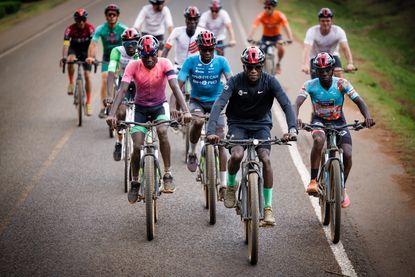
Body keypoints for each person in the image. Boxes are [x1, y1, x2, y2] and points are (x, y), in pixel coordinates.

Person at [206, 46, 297, 226]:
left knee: (266, 159)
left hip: (261, 124)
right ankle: (231, 185)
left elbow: (286, 104)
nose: (253, 71)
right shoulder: (234, 82)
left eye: (257, 67)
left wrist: (292, 129)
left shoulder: (270, 81)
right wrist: (210, 132)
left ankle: (268, 208)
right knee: (237, 155)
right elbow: (218, 105)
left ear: (262, 66)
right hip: (237, 124)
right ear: (244, 66)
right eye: (249, 67)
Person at [106, 35, 192, 203]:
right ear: (140, 55)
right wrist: (111, 113)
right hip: (140, 109)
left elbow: (175, 87)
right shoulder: (133, 65)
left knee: (162, 132)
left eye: (153, 55)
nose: (150, 59)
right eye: (145, 56)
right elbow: (122, 90)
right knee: (137, 145)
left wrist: (186, 110)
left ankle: (167, 174)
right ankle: (136, 181)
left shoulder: (165, 64)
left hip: (160, 106)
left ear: (157, 53)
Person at [294, 52, 374, 208]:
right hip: (319, 121)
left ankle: (342, 187)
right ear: (315, 71)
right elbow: (296, 104)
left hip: (339, 121)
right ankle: (313, 180)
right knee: (319, 140)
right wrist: (295, 118)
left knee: (348, 153)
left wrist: (368, 117)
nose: (324, 73)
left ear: (332, 70)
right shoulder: (310, 85)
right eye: (320, 70)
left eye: (327, 70)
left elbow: (359, 101)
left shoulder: (342, 83)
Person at [170, 31, 232, 190]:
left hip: (217, 103)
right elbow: (177, 86)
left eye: (210, 49)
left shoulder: (221, 61)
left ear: (214, 48)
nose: (207, 53)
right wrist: (174, 108)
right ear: (198, 47)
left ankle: (224, 184)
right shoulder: (190, 62)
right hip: (197, 101)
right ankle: (192, 153)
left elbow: (232, 83)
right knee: (196, 121)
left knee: (220, 141)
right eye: (203, 49)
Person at [86, 4, 127, 118]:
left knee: (124, 81)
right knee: (105, 78)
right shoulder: (101, 29)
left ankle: (125, 104)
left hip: (120, 59)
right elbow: (93, 44)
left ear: (117, 16)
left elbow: (131, 41)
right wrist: (91, 57)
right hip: (107, 59)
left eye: (114, 14)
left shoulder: (123, 29)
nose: (112, 17)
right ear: (106, 16)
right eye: (109, 14)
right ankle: (103, 107)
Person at [106, 28, 140, 161]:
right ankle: (119, 141)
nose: (130, 46)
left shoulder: (140, 51)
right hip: (124, 84)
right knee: (120, 113)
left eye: (133, 43)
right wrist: (109, 95)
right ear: (122, 44)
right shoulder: (117, 51)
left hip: (138, 85)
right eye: (127, 44)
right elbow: (110, 74)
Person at [301, 8, 356, 79]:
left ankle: (341, 90)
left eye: (328, 21)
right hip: (316, 57)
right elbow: (307, 49)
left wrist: (350, 63)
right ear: (319, 21)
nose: (325, 23)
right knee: (316, 81)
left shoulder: (338, 31)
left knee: (339, 74)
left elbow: (345, 48)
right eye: (323, 21)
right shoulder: (312, 31)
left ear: (331, 21)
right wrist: (305, 64)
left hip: (332, 56)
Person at [61, 8, 95, 115]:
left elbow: (93, 45)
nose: (81, 22)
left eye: (83, 19)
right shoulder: (69, 29)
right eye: (79, 20)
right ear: (75, 20)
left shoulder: (90, 28)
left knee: (87, 76)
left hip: (86, 51)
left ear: (86, 19)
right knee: (70, 59)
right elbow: (66, 45)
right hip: (74, 50)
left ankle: (88, 103)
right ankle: (71, 83)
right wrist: (64, 57)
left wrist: (92, 57)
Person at [247, 0, 293, 74]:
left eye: (269, 8)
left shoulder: (280, 15)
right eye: (265, 7)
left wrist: (290, 38)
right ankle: (263, 70)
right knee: (260, 53)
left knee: (281, 48)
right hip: (265, 37)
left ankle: (278, 63)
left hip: (277, 36)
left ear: (274, 8)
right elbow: (254, 26)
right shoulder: (261, 15)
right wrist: (249, 37)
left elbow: (286, 27)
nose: (266, 9)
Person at [162, 6, 206, 73]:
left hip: (196, 67)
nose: (192, 22)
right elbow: (166, 50)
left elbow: (209, 51)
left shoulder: (203, 32)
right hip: (179, 67)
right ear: (185, 19)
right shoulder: (176, 31)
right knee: (174, 83)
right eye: (190, 19)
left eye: (195, 19)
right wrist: (161, 66)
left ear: (198, 20)